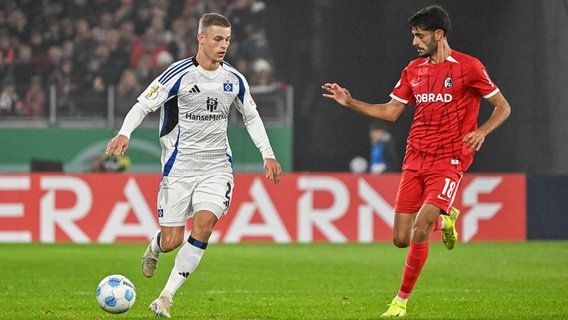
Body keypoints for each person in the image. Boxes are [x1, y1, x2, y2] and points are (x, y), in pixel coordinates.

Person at [322, 5, 510, 317]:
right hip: (415, 158)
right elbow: (390, 113)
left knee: (421, 228)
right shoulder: (414, 70)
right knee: (400, 239)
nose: (414, 42)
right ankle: (446, 217)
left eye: (419, 36)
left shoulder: (469, 67)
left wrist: (483, 131)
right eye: (413, 36)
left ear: (439, 34)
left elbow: (502, 107)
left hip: (449, 159)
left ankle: (401, 301)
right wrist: (350, 102)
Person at [106, 12, 281, 318]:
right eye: (217, 39)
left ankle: (166, 297)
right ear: (201, 38)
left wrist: (267, 153)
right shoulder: (178, 75)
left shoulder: (234, 79)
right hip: (179, 168)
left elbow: (251, 116)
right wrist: (125, 131)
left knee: (204, 226)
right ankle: (156, 246)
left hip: (216, 167)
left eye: (227, 39)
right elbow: (143, 104)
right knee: (172, 240)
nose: (223, 45)